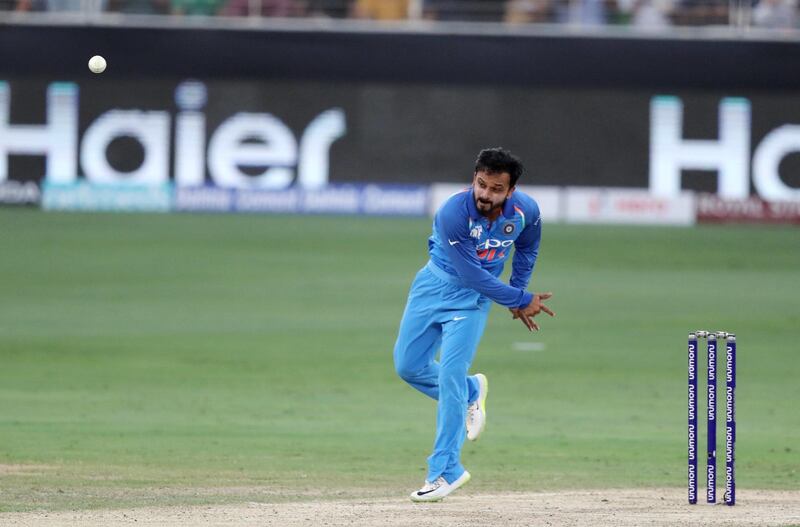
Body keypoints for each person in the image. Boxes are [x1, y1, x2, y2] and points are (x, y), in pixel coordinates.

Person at [393, 147, 554, 502]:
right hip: (433, 287)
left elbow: (527, 248)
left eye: (496, 188)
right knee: (407, 366)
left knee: (449, 376)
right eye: (481, 184)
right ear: (474, 179)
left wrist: (519, 289)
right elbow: (470, 271)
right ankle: (471, 392)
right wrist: (518, 299)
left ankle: (444, 471)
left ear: (510, 191)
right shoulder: (453, 212)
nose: (485, 194)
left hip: (473, 302)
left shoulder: (527, 212)